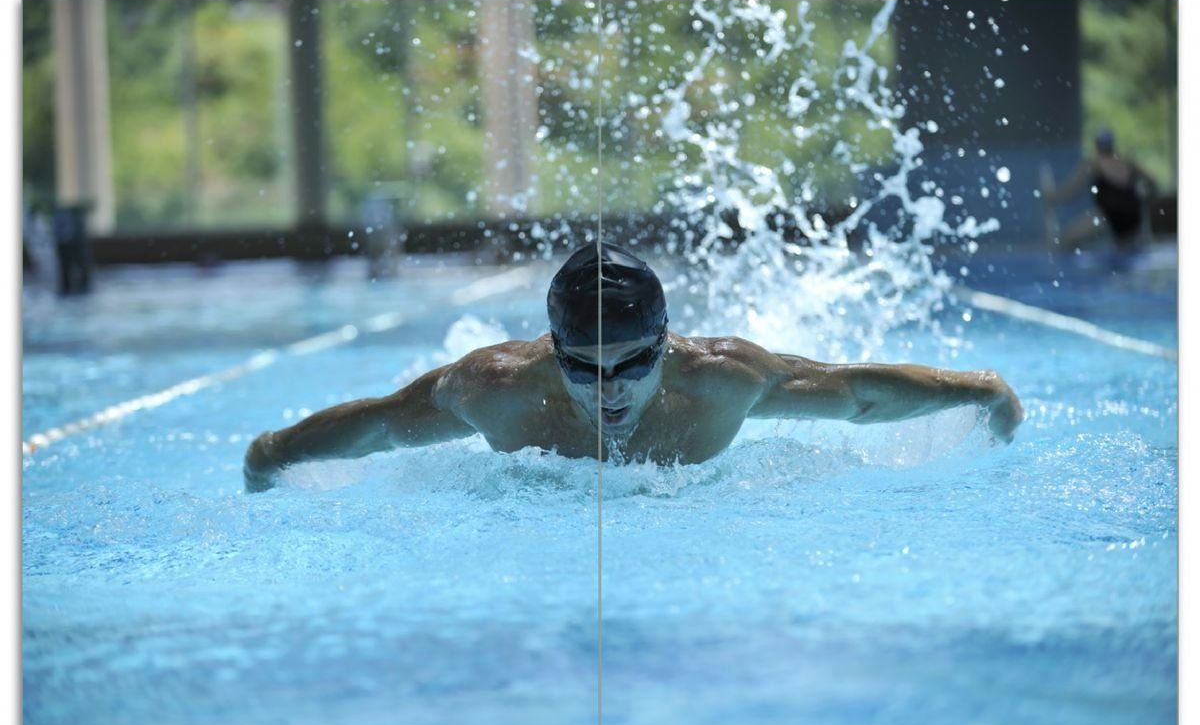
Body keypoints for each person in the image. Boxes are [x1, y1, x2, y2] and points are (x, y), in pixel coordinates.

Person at [244, 244, 1023, 492]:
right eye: (583, 367)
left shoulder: (722, 378)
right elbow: (381, 424)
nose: (608, 388)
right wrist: (274, 452)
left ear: (665, 347)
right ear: (552, 351)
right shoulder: (496, 388)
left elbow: (855, 396)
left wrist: (979, 390)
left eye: (629, 364)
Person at [1041, 129, 1158, 251]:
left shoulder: (1093, 164)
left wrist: (1051, 198)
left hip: (1108, 215)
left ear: (1096, 146)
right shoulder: (1128, 163)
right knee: (1127, 250)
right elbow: (1154, 184)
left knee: (1066, 240)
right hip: (1134, 217)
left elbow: (1070, 191)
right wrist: (1143, 200)